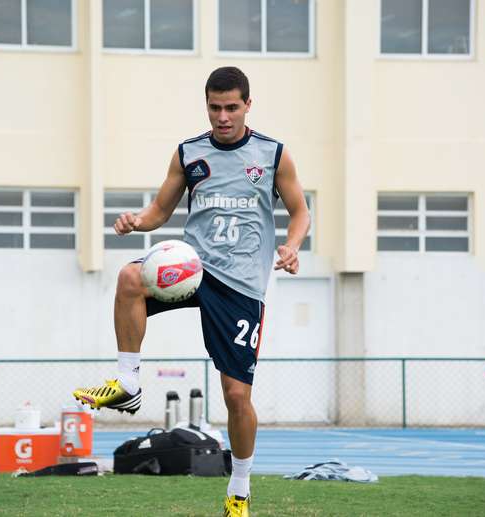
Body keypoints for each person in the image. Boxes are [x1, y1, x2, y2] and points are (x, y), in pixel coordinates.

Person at [74, 66, 310, 516]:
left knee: (237, 396)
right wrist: (136, 222)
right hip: (192, 268)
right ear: (207, 105)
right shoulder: (189, 154)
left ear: (247, 105)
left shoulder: (273, 154)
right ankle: (127, 382)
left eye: (231, 107)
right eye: (214, 107)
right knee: (128, 278)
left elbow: (300, 211)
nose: (222, 117)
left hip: (240, 285)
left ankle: (238, 490)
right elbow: (160, 210)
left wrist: (293, 246)